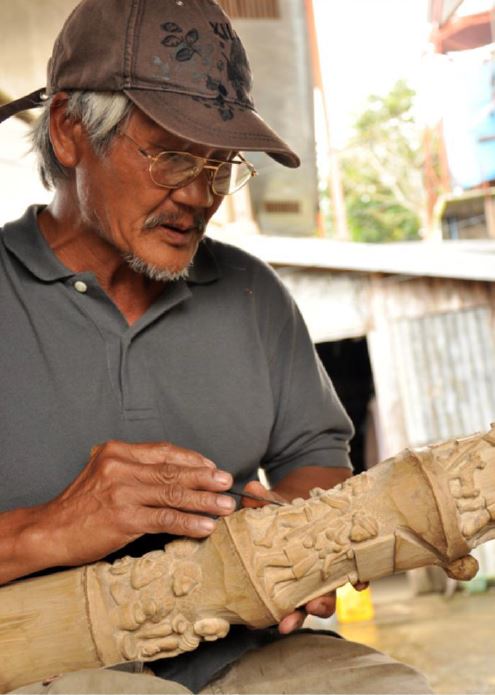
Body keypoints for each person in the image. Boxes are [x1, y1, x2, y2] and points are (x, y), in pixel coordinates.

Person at [0, 1, 432, 693]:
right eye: (172, 156)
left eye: (221, 163)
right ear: (69, 130)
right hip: (40, 656)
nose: (202, 195)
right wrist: (45, 529)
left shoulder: (250, 291)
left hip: (242, 652)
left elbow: (315, 458)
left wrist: (289, 533)